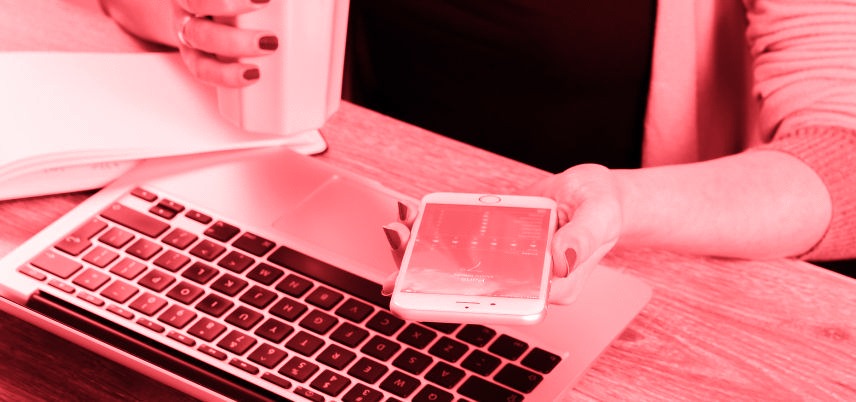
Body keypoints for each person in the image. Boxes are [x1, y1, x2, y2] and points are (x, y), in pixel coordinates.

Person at [100, 0, 856, 303]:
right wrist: (205, 17)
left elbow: (844, 160)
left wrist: (624, 207)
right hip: (324, 231)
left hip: (609, 281)